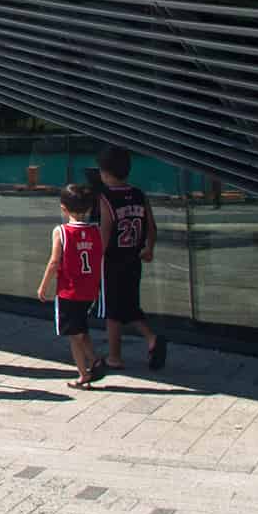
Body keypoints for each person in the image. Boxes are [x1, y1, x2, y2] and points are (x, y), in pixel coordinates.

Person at [95, 146, 167, 371]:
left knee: (113, 311)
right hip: (133, 257)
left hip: (112, 260)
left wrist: (96, 258)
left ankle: (115, 356)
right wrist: (149, 248)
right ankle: (151, 339)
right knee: (129, 304)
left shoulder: (106, 198)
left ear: (104, 173)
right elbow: (152, 227)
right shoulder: (139, 194)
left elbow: (105, 231)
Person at [38, 182, 108, 388]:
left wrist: (43, 286)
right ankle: (94, 360)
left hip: (69, 291)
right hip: (89, 291)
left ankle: (84, 373)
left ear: (63, 208)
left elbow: (54, 262)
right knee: (81, 328)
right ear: (89, 208)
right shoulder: (96, 231)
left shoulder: (61, 231)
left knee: (73, 336)